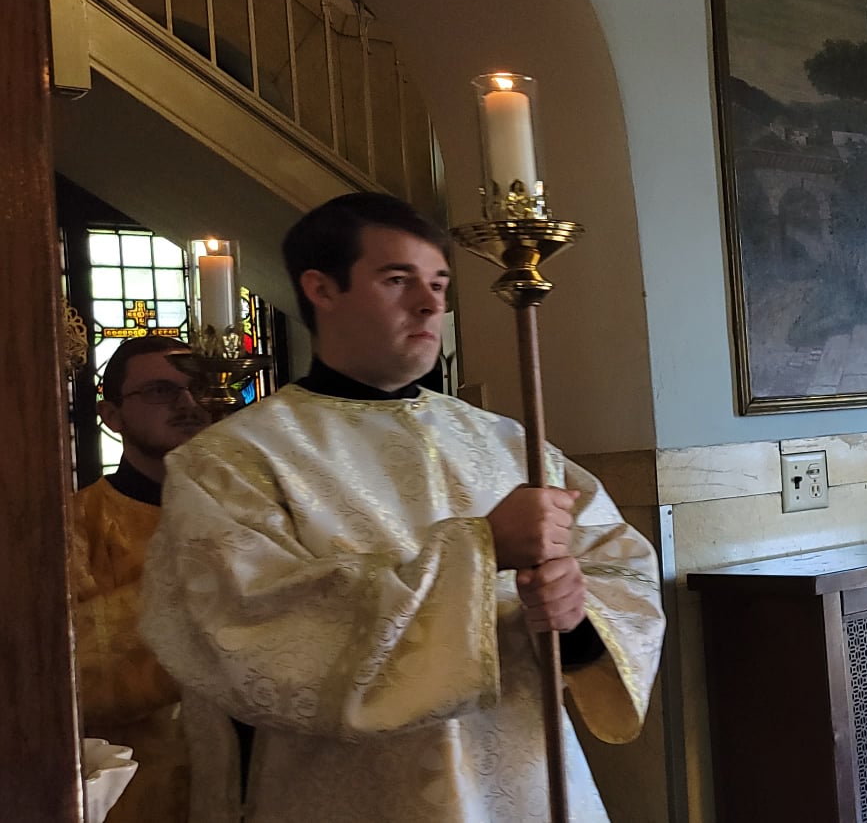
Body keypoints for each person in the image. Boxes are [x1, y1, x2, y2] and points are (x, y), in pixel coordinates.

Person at [139, 193, 665, 822]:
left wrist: (574, 619)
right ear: (321, 289)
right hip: (356, 798)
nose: (430, 303)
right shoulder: (233, 459)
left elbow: (621, 573)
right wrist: (481, 549)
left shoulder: (507, 443)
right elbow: (254, 631)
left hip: (526, 786)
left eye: (438, 284)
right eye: (397, 280)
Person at [70, 334, 209, 823]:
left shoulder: (261, 516)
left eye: (199, 387)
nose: (188, 403)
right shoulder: (72, 525)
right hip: (141, 794)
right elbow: (70, 676)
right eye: (160, 391)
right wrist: (210, 588)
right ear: (112, 416)